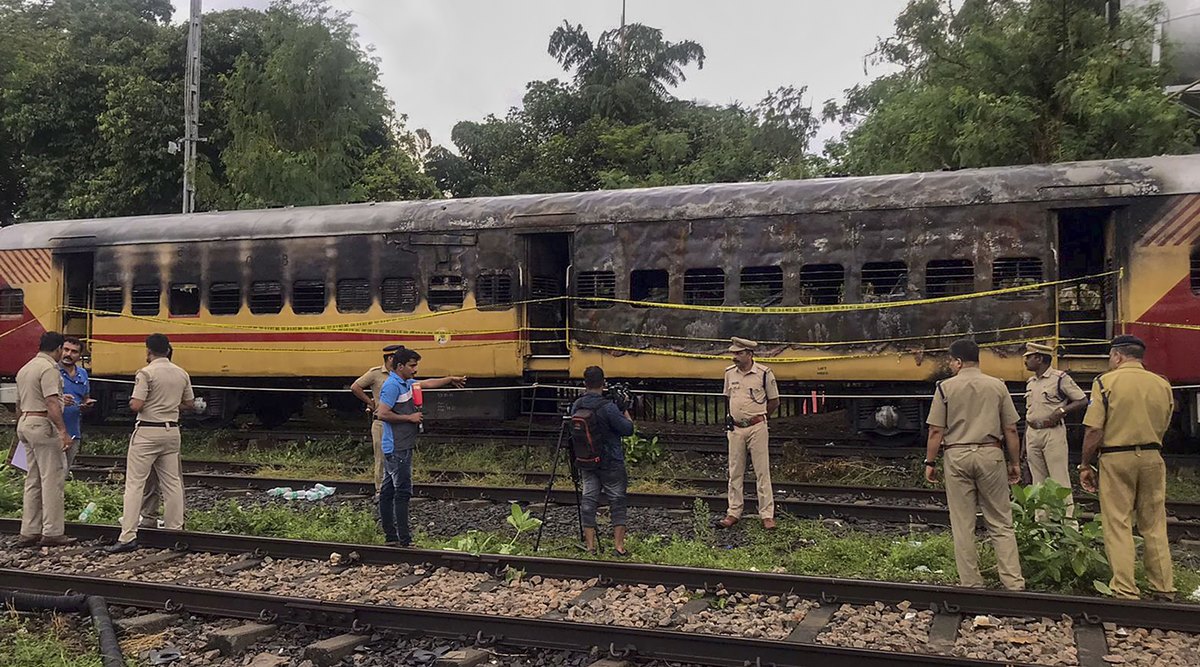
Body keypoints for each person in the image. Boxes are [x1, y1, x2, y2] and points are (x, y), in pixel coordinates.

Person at [1079, 334, 1175, 600]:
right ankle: (1163, 587)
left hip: (1115, 457)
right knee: (1154, 524)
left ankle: (1125, 588)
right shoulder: (1162, 384)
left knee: (1118, 523)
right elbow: (1165, 423)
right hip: (1153, 456)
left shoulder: (1105, 383)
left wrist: (1085, 464)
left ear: (1117, 356)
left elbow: (1094, 429)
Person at [925, 338, 1025, 590]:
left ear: (958, 362)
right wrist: (1015, 462)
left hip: (957, 455)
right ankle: (1013, 582)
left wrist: (930, 462)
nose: (949, 365)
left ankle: (971, 583)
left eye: (950, 361)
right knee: (1001, 521)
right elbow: (1011, 429)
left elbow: (936, 431)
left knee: (963, 524)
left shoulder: (945, 388)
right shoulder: (997, 386)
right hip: (990, 454)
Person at [106, 334, 202, 553]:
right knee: (172, 483)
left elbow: (136, 404)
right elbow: (188, 403)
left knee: (135, 484)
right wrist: (168, 405)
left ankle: (128, 535)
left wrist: (136, 401)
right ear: (168, 350)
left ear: (148, 350)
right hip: (172, 432)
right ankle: (174, 530)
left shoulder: (146, 373)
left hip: (148, 431)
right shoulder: (181, 373)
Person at [374, 348, 466, 546]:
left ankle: (391, 536)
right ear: (400, 366)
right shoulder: (392, 386)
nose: (416, 370)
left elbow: (428, 383)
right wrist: (409, 417)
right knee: (403, 491)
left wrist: (449, 378)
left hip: (400, 445)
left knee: (388, 490)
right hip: (397, 447)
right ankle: (404, 539)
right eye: (412, 366)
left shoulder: (405, 383)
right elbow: (382, 413)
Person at [15, 331, 75, 547]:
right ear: (58, 348)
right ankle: (52, 531)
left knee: (32, 479)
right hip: (42, 424)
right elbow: (50, 402)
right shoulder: (49, 369)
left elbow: (19, 403)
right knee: (52, 479)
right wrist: (62, 431)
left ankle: (29, 530)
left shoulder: (26, 367)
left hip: (25, 422)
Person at [570, 365, 636, 556]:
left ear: (585, 383)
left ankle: (590, 547)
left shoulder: (577, 405)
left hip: (587, 461)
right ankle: (618, 547)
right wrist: (624, 409)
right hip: (611, 461)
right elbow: (628, 429)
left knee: (589, 501)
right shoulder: (608, 407)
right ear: (603, 383)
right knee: (617, 501)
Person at [717, 337, 779, 530]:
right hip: (736, 428)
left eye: (739, 353)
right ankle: (733, 511)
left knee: (762, 471)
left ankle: (767, 515)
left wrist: (759, 417)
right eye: (734, 353)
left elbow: (774, 401)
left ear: (749, 354)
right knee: (734, 471)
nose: (734, 357)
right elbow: (728, 398)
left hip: (757, 426)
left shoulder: (763, 373)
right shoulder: (729, 374)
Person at [1022, 342, 1088, 515]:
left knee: (1059, 480)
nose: (1025, 361)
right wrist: (1024, 443)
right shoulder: (1031, 382)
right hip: (1032, 432)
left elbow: (1081, 399)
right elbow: (1030, 412)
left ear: (1039, 358)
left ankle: (1068, 523)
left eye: (1029, 357)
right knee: (1038, 483)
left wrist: (1061, 411)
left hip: (1052, 432)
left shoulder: (1060, 378)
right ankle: (1042, 525)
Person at [351, 345, 402, 492]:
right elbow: (356, 387)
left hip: (399, 421)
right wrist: (370, 402)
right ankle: (381, 490)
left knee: (399, 457)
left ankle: (397, 488)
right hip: (382, 422)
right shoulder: (375, 374)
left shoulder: (401, 374)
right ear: (391, 358)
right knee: (382, 458)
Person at [59, 336, 95, 471]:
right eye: (66, 349)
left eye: (74, 351)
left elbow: (85, 397)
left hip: (74, 432)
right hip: (54, 431)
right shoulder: (52, 371)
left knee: (64, 473)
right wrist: (60, 400)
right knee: (52, 475)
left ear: (79, 356)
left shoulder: (83, 373)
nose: (68, 354)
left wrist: (86, 404)